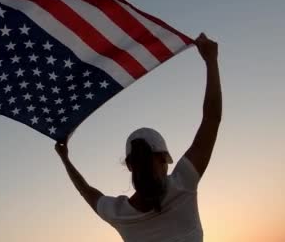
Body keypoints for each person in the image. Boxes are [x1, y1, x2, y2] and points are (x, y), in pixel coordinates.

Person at [55, 33, 221, 242]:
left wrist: (64, 158)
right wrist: (211, 60)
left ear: (130, 165)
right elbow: (212, 118)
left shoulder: (118, 213)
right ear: (163, 159)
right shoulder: (183, 184)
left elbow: (85, 191)